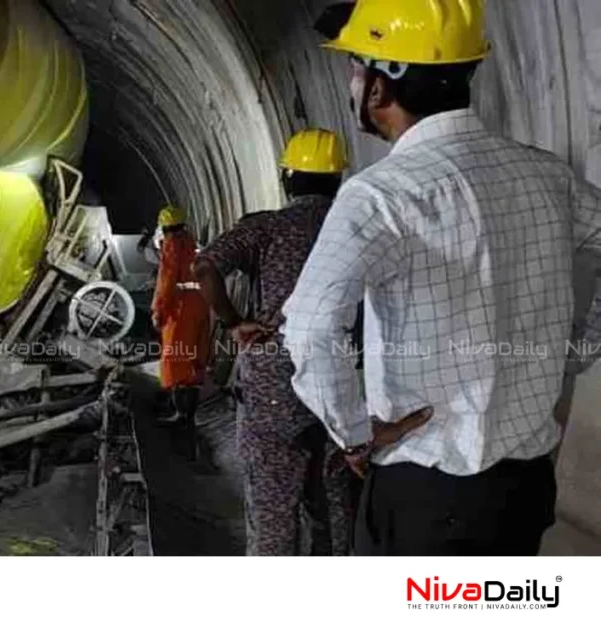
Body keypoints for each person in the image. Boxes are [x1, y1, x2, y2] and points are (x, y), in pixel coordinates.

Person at [283, 0, 601, 555]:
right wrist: (583, 343)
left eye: (357, 68)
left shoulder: (381, 196)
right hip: (524, 487)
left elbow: (309, 328)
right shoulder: (547, 175)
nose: (352, 85)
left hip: (428, 493)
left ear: (382, 88)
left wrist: (354, 432)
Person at [193, 129, 362, 556]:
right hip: (343, 378)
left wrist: (234, 322)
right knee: (336, 500)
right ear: (338, 179)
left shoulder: (267, 227)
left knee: (272, 504)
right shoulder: (357, 226)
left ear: (288, 179)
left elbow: (205, 265)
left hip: (274, 383)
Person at [151, 205, 211, 461]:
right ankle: (189, 411)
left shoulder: (172, 246)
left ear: (164, 227)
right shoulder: (192, 243)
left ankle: (181, 413)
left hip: (181, 307)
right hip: (200, 302)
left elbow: (166, 282)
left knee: (175, 359)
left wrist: (158, 310)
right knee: (195, 357)